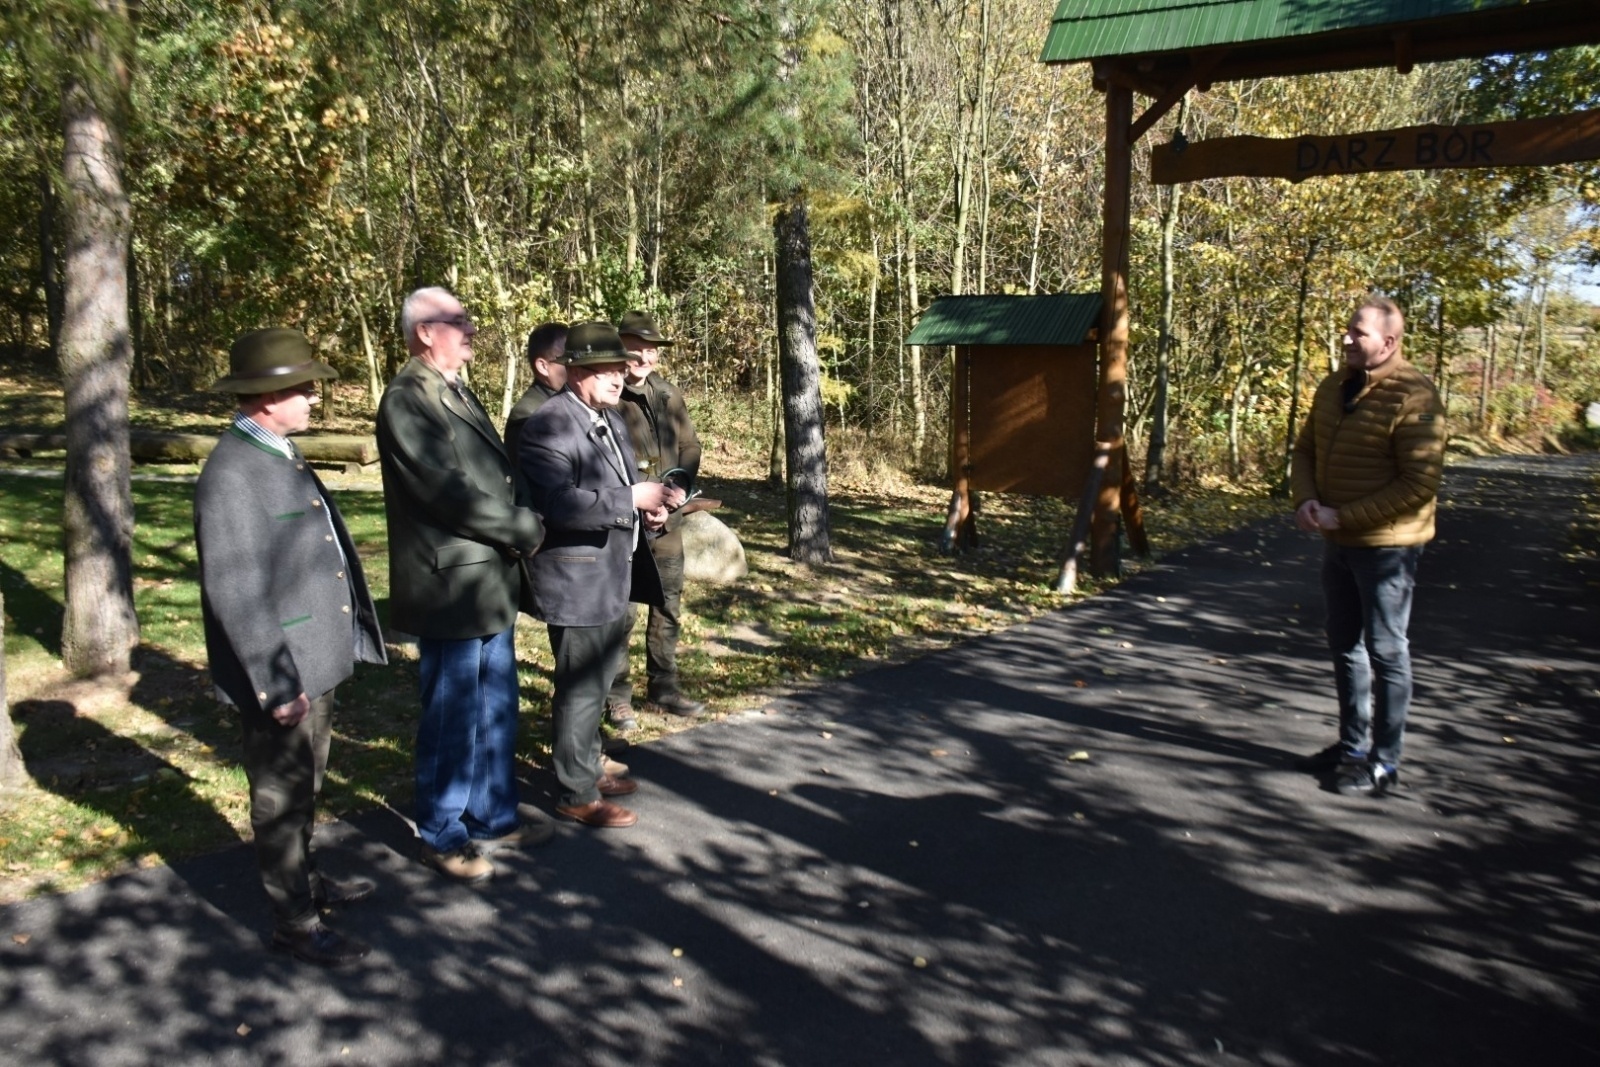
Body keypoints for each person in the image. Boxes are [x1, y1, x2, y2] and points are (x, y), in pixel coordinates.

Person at [194, 328, 387, 967]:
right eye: (301, 386)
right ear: (263, 395)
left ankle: (305, 883)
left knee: (306, 785)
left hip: (313, 659)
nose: (313, 395)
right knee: (280, 797)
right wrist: (276, 684)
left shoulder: (278, 450)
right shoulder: (232, 472)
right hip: (280, 673)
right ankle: (295, 923)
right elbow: (236, 590)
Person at [376, 287, 551, 882]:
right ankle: (442, 831)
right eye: (460, 321)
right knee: (453, 712)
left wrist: (524, 511)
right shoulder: (407, 398)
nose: (472, 329)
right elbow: (446, 492)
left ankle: (493, 816)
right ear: (426, 331)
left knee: (496, 704)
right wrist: (524, 526)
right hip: (450, 583)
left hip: (488, 579)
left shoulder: (454, 388)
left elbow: (499, 471)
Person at [519, 322, 683, 828]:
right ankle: (575, 792)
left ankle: (588, 765)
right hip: (576, 581)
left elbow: (626, 487)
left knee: (597, 682)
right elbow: (558, 505)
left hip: (614, 574)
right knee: (580, 689)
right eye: (606, 370)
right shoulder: (548, 424)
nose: (619, 378)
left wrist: (649, 510)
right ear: (576, 373)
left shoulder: (607, 419)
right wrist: (631, 500)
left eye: (619, 368)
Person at [1290, 295, 1446, 797]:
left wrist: (1346, 516)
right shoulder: (1334, 385)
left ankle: (1384, 761)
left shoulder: (1415, 396)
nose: (1346, 338)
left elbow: (1419, 483)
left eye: (1358, 332)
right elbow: (1305, 449)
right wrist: (1307, 500)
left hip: (1386, 548)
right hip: (1336, 540)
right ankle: (1353, 746)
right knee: (1344, 644)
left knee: (1386, 651)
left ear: (1389, 341)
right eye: (1348, 330)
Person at [605, 310, 706, 730]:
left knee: (667, 607)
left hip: (668, 522)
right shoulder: (607, 396)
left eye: (650, 349)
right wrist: (640, 504)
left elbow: (689, 448)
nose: (643, 356)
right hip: (625, 525)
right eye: (634, 348)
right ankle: (617, 696)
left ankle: (664, 687)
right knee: (621, 614)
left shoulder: (668, 395)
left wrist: (677, 492)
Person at [503, 321, 569, 453]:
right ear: (543, 366)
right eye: (568, 359)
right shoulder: (527, 416)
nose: (578, 366)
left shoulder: (570, 400)